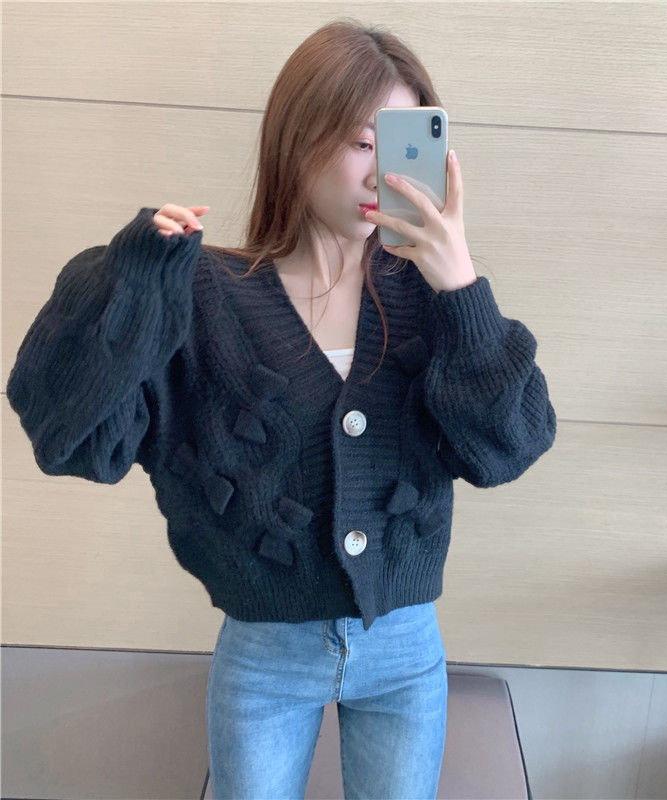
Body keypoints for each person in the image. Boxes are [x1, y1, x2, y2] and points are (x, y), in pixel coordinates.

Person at [6, 18, 557, 800]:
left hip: (405, 653)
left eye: (404, 145)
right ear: (299, 141)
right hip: (263, 657)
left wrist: (460, 281)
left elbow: (512, 444)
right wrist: (132, 279)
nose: (384, 171)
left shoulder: (433, 300)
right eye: (363, 142)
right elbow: (74, 436)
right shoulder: (208, 296)